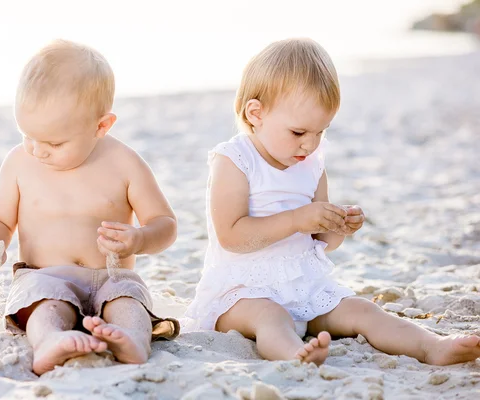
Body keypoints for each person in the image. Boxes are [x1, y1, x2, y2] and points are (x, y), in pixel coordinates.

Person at [184, 38, 480, 366]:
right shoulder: (236, 159)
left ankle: (430, 346)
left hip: (303, 285)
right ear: (256, 113)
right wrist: (298, 219)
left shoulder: (310, 164)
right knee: (272, 317)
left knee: (363, 310)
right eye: (298, 132)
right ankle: (294, 354)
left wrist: (337, 225)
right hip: (241, 293)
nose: (310, 144)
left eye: (320, 132)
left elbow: (322, 242)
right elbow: (232, 236)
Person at [0, 39, 179, 375]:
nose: (37, 150)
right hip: (46, 276)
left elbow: (165, 223)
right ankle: (51, 341)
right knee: (43, 304)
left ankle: (132, 340)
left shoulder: (124, 163)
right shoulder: (18, 164)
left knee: (128, 300)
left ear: (101, 126)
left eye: (53, 142)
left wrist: (139, 239)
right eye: (28, 135)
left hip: (111, 275)